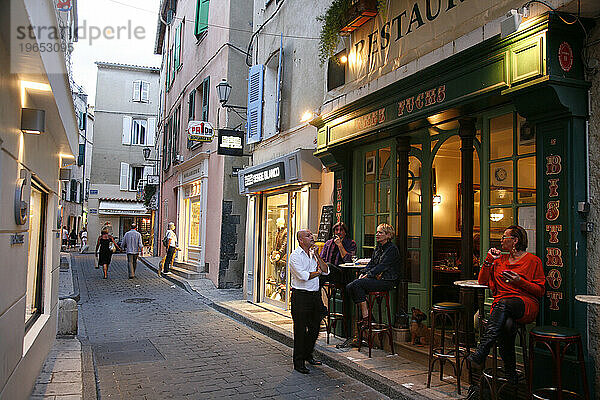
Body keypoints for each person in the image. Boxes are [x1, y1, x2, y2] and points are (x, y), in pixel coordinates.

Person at [467, 225, 545, 384]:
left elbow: (540, 291)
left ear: (515, 240)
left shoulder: (533, 261)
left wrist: (520, 282)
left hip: (524, 304)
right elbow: (482, 281)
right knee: (507, 325)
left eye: (504, 237)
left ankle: (482, 349)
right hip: (502, 308)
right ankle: (511, 373)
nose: (501, 240)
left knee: (503, 304)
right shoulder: (499, 260)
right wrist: (489, 259)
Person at [289, 229, 329, 374]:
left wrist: (318, 255)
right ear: (300, 240)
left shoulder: (313, 255)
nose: (312, 237)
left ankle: (308, 354)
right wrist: (317, 273)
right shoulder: (294, 256)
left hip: (315, 296)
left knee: (315, 328)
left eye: (311, 235)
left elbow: (326, 270)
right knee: (300, 330)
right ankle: (298, 362)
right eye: (308, 235)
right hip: (300, 296)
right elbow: (303, 276)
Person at [346, 223, 400, 327]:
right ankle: (369, 316)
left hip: (387, 281)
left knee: (357, 285)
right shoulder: (378, 248)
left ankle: (366, 318)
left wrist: (368, 275)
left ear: (388, 235)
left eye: (380, 232)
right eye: (377, 232)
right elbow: (371, 264)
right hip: (377, 279)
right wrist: (363, 273)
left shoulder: (391, 249)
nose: (377, 234)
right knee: (349, 287)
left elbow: (382, 266)